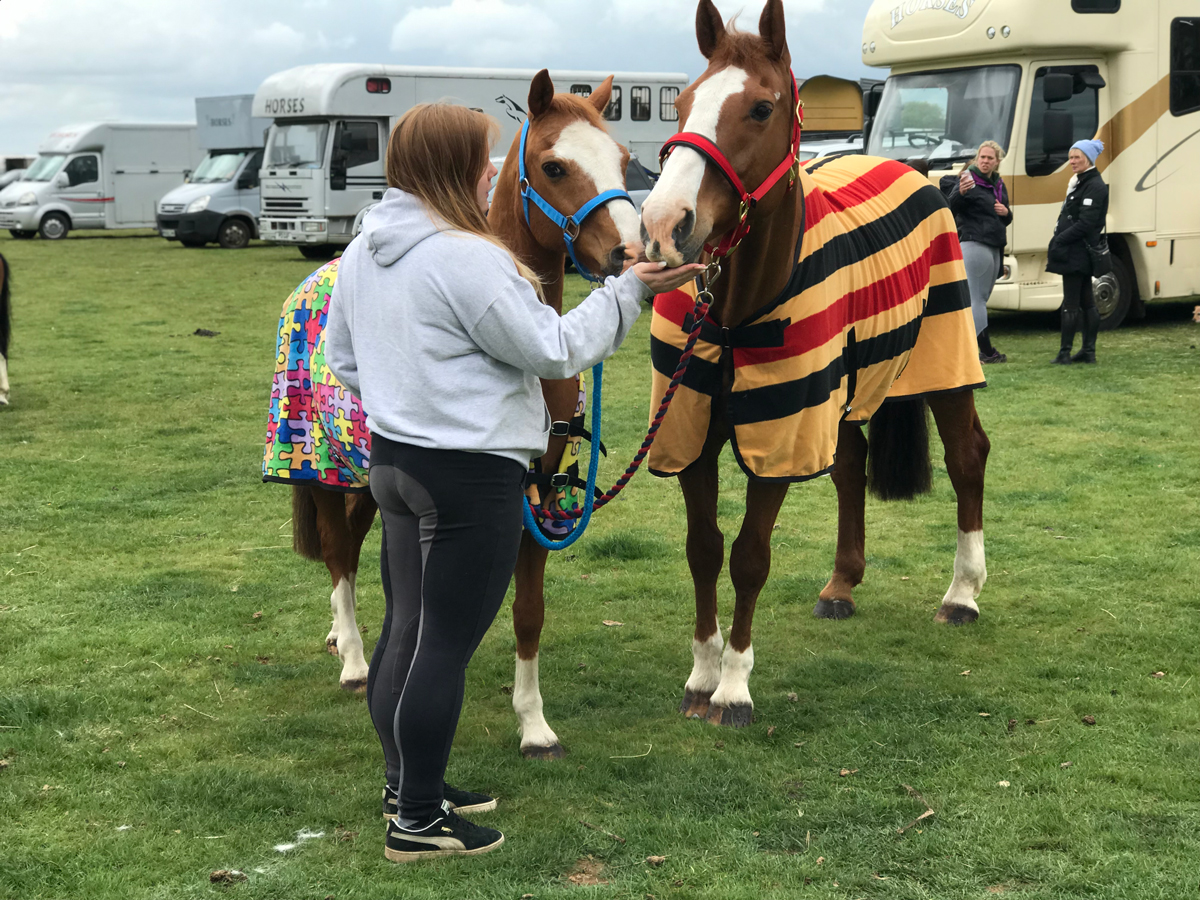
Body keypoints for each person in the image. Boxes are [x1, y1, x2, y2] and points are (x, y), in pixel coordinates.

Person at [324, 103, 702, 863]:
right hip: (467, 478)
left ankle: (410, 789)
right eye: (483, 161)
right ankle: (419, 824)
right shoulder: (467, 256)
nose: (492, 172)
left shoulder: (367, 246)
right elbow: (554, 349)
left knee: (405, 631)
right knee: (443, 647)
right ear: (452, 170)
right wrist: (632, 293)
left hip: (396, 463)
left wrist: (413, 397)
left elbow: (343, 358)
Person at [942, 141, 1012, 363]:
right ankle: (984, 351)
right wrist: (961, 193)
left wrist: (1006, 212)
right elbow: (949, 206)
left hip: (994, 245)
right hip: (974, 243)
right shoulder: (967, 179)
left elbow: (1004, 219)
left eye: (990, 158)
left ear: (997, 161)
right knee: (977, 299)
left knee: (982, 298)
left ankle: (974, 350)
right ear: (976, 158)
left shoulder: (999, 184)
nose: (985, 161)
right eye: (982, 157)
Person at [1047, 138, 1109, 364]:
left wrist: (1060, 239)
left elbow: (1087, 222)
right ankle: (1088, 351)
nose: (1072, 161)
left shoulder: (1093, 185)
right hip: (1076, 250)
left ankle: (1065, 353)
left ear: (1089, 159)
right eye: (1071, 157)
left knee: (1072, 303)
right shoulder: (1080, 181)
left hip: (1078, 252)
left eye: (1077, 157)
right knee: (1086, 302)